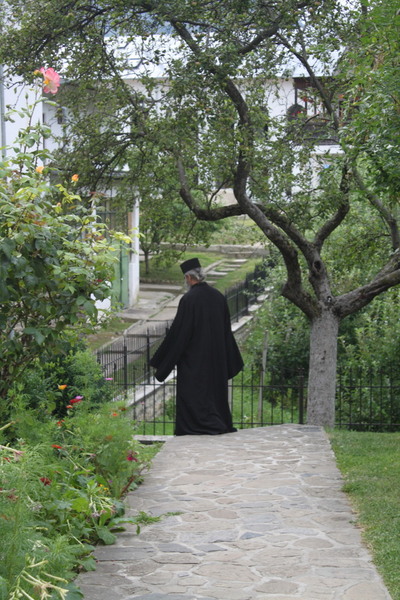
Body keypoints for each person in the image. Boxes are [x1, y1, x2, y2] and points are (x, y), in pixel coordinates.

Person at [149, 257, 243, 436]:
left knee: (192, 394)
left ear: (188, 278)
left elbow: (179, 333)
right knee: (215, 394)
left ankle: (195, 427)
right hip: (216, 359)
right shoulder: (218, 296)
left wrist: (161, 361)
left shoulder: (189, 299)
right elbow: (226, 330)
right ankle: (217, 423)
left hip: (193, 360)